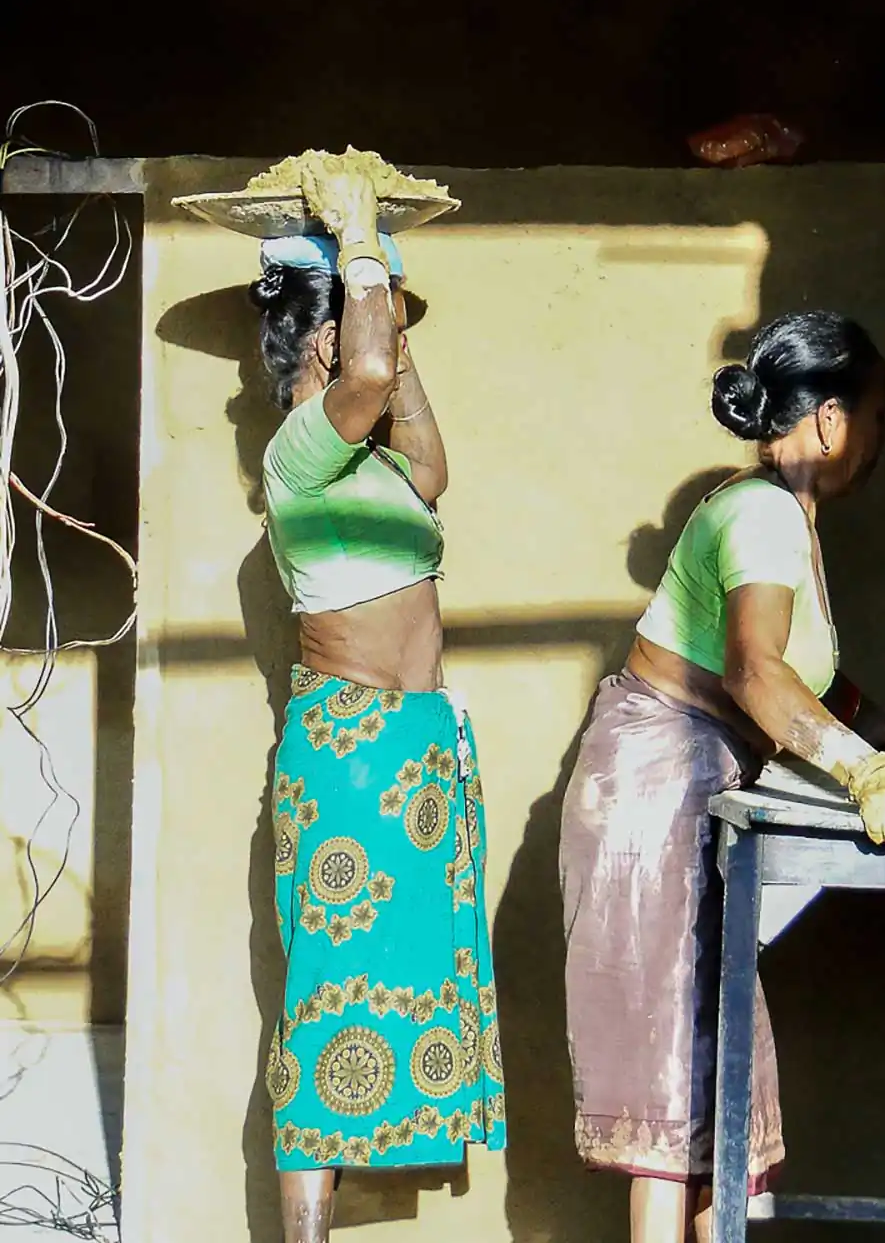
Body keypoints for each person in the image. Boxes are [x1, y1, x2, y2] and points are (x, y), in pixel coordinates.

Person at [559, 310, 885, 1243]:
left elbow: (799, 670)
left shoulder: (778, 514)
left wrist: (871, 723)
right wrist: (862, 769)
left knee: (710, 1077)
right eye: (881, 415)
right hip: (654, 794)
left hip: (683, 785)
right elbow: (754, 671)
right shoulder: (763, 514)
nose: (884, 438)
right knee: (674, 1090)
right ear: (830, 420)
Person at [249, 167, 505, 1243]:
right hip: (351, 756)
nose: (387, 353)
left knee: (397, 987)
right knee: (326, 1005)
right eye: (369, 336)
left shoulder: (381, 469)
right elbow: (363, 369)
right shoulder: (299, 455)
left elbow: (432, 464)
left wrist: (386, 302)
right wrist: (358, 237)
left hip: (413, 756)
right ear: (322, 345)